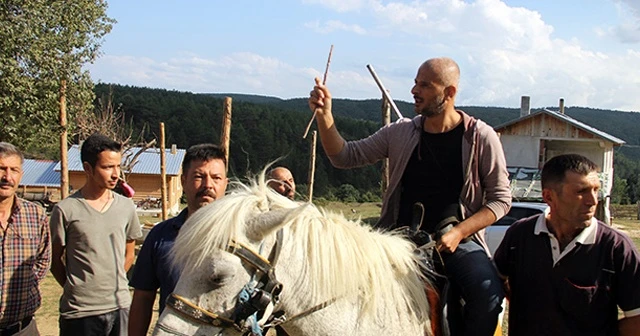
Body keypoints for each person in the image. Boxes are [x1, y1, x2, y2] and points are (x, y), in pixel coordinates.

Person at [309, 57, 511, 335]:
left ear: (449, 93)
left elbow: (500, 200)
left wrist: (459, 232)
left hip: (455, 242)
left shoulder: (480, 136)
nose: (414, 90)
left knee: (486, 293)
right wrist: (325, 115)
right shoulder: (401, 132)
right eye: (415, 83)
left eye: (425, 85)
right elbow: (345, 156)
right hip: (395, 237)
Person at [494, 154, 640, 335]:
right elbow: (495, 284)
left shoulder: (616, 248)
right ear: (549, 197)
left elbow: (637, 320)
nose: (593, 201)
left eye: (596, 190)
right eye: (581, 192)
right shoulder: (520, 236)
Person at [128, 144, 229, 336]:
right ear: (183, 181)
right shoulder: (160, 236)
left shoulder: (241, 238)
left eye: (216, 178)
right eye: (199, 177)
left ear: (225, 183)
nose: (208, 185)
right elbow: (143, 297)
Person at [50, 133, 142, 336]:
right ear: (87, 168)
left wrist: (114, 280)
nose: (116, 174)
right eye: (108, 167)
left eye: (118, 166)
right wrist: (77, 288)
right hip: (80, 312)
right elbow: (55, 260)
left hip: (120, 306)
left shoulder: (126, 206)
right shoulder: (66, 210)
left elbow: (129, 252)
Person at [0, 142, 50, 336]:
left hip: (23, 328)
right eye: (2, 169)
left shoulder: (35, 215)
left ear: (21, 175)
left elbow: (43, 260)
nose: (7, 177)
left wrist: (25, 286)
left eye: (14, 170)